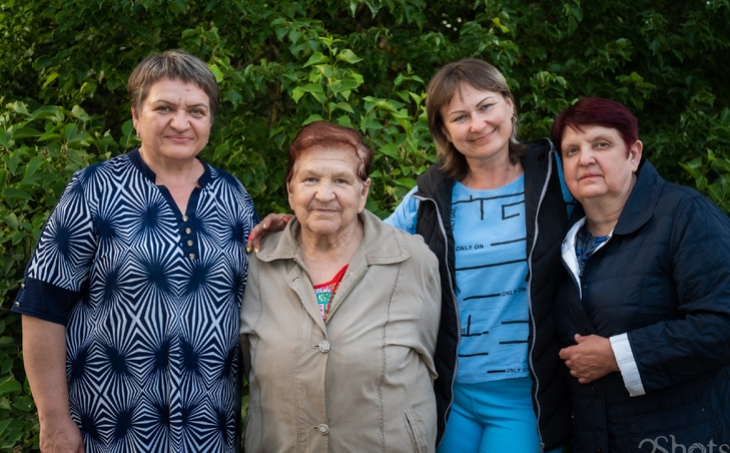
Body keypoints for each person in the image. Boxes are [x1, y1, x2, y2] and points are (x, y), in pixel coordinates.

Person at [248, 58, 572, 452]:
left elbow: (615, 213)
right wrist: (295, 226)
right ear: (444, 131)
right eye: (460, 117)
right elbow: (358, 240)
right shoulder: (429, 199)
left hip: (522, 391)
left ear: (509, 104)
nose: (477, 124)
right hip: (451, 392)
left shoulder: (556, 177)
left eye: (486, 107)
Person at [13, 50, 258, 452]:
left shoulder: (234, 197)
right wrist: (54, 422)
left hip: (209, 432)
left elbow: (258, 306)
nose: (181, 122)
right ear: (135, 116)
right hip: (110, 430)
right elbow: (42, 306)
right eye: (164, 108)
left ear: (210, 120)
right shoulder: (94, 188)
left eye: (196, 111)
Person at [239, 121, 441, 451]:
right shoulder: (257, 264)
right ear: (290, 190)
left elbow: (435, 356)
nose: (324, 194)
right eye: (310, 179)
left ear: (363, 192)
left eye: (341, 181)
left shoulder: (413, 261)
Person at [553, 98, 730, 452]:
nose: (585, 158)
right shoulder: (560, 239)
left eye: (601, 144)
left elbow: (721, 323)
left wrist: (617, 355)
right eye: (572, 150)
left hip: (683, 437)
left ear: (633, 155)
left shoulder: (684, 215)